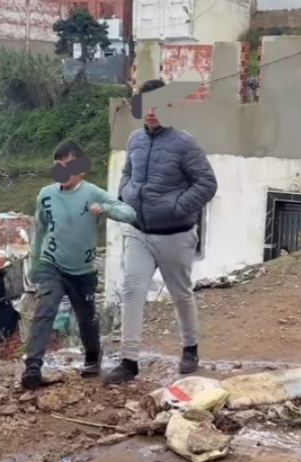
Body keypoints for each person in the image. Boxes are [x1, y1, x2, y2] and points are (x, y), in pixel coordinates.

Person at [105, 78, 218, 385]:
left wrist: (177, 207)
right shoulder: (135, 140)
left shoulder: (185, 143)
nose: (151, 112)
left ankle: (190, 348)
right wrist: (125, 195)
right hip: (138, 231)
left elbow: (207, 184)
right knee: (132, 289)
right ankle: (129, 360)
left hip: (175, 234)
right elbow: (128, 173)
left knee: (180, 294)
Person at [21, 141, 136, 390]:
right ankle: (32, 367)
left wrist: (105, 208)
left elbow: (129, 213)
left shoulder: (92, 192)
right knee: (46, 309)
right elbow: (39, 231)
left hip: (83, 271)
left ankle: (92, 357)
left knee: (87, 317)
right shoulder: (46, 195)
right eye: (58, 166)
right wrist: (34, 263)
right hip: (52, 264)